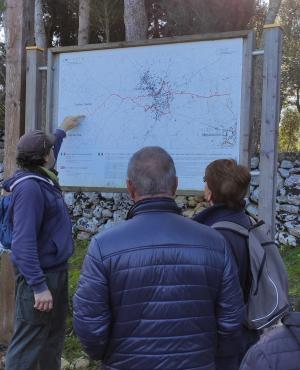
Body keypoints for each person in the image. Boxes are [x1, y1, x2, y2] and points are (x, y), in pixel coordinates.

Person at [73, 146, 244, 370]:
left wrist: (109, 355)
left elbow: (89, 323)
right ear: (175, 186)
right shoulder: (214, 242)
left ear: (130, 188)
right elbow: (231, 319)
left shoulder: (103, 246)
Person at [4, 116, 84, 370]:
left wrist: (60, 131)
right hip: (40, 276)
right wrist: (38, 286)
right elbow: (23, 242)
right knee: (28, 342)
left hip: (54, 271)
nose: (53, 152)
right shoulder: (29, 189)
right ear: (43, 157)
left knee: (52, 337)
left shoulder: (41, 175)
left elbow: (50, 151)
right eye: (50, 149)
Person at [193, 159, 259, 369]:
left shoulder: (213, 235)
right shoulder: (247, 221)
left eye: (205, 181)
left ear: (210, 192)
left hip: (221, 343)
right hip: (247, 331)